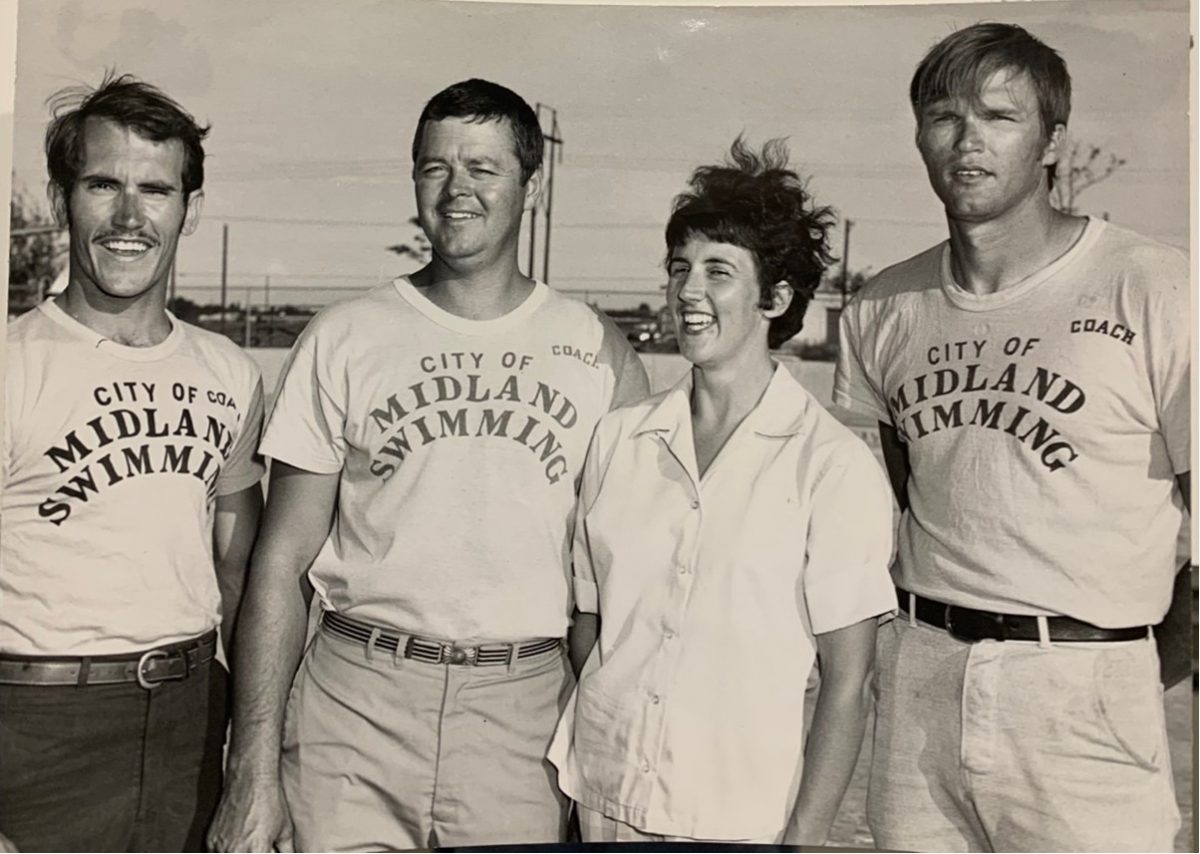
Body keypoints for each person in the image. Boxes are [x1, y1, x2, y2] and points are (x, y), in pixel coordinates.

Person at [208, 78, 649, 852]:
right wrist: (253, 767)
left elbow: (621, 579)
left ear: (531, 186)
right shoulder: (346, 335)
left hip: (521, 717)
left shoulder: (598, 351)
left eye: (483, 168)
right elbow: (281, 563)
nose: (456, 191)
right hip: (356, 701)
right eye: (434, 167)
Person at [835, 22, 1191, 852]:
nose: (967, 142)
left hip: (1083, 679)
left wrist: (1131, 663)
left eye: (999, 117)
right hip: (922, 674)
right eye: (944, 117)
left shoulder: (1155, 286)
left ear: (1053, 141)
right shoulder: (884, 306)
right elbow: (891, 496)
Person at [548, 138, 896, 845]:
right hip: (604, 800)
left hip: (741, 820)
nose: (688, 292)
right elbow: (589, 626)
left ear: (776, 296)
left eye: (717, 271)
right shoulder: (619, 440)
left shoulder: (831, 465)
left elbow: (848, 683)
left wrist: (801, 838)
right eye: (680, 269)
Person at [0, 73, 265, 852]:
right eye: (101, 184)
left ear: (189, 209)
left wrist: (250, 762)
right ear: (60, 199)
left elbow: (236, 576)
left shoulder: (230, 374)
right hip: (36, 726)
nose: (127, 216)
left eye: (155, 189)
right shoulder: (13, 364)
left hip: (188, 723)